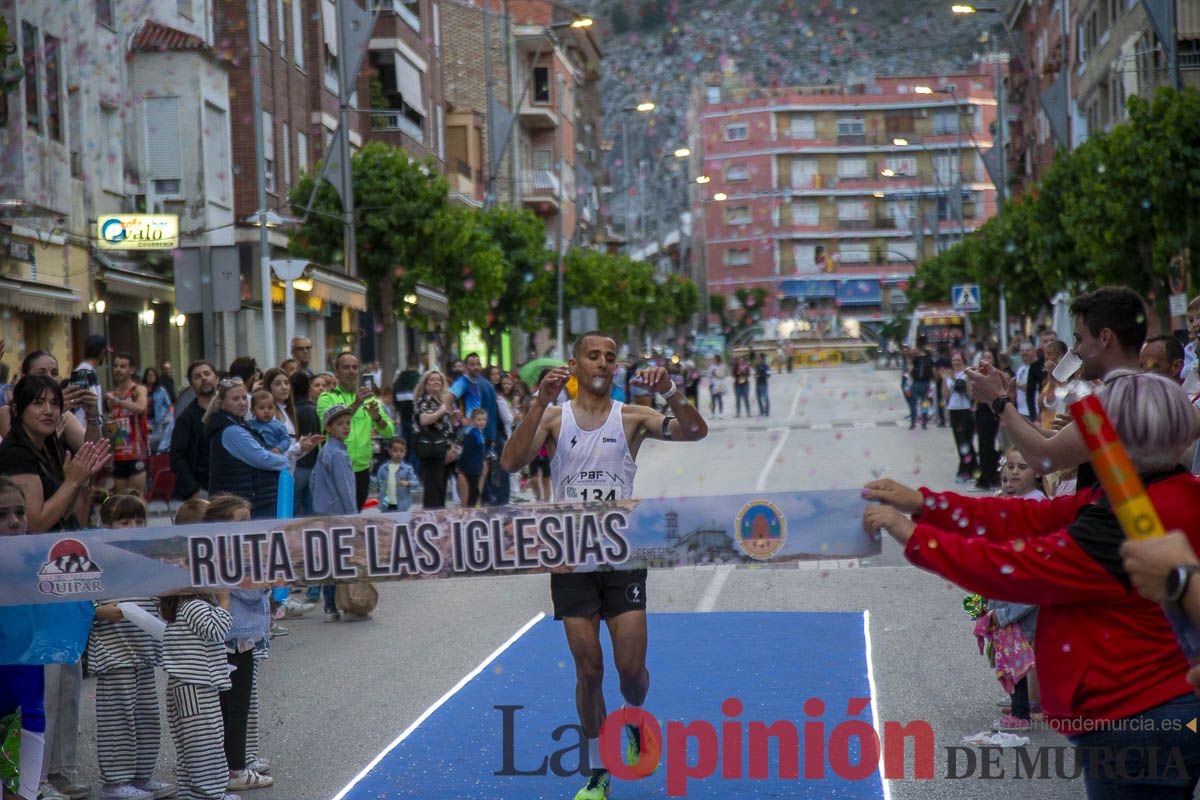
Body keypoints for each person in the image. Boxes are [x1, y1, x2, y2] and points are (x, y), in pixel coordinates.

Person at [863, 370, 1200, 800]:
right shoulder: (1164, 494)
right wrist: (927, 504)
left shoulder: (1122, 521)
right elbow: (1030, 517)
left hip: (1135, 715)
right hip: (1170, 706)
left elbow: (1017, 569)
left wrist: (911, 535)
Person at [500, 331, 708, 800]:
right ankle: (597, 770)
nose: (602, 363)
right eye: (592, 355)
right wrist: (539, 402)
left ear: (616, 368)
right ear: (574, 364)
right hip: (571, 558)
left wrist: (671, 391)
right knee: (588, 669)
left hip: (623, 555)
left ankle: (634, 719)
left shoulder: (632, 417)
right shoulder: (554, 419)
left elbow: (695, 431)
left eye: (609, 357)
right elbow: (511, 463)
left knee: (630, 670)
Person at [966, 286, 1147, 485]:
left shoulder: (1112, 400)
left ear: (1104, 338)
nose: (1076, 350)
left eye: (1079, 339)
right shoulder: (1152, 390)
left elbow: (1045, 458)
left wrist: (998, 401)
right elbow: (1053, 440)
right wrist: (1002, 405)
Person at [90, 495, 171, 800]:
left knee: (147, 718)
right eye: (125, 522)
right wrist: (101, 611)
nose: (133, 527)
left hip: (144, 655)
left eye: (139, 521)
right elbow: (84, 605)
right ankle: (114, 782)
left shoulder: (146, 562)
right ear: (107, 526)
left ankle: (141, 776)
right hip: (114, 656)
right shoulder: (98, 565)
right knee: (117, 721)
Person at [199, 496, 274, 793]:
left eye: (248, 521)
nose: (246, 526)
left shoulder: (219, 552)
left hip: (234, 637)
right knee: (235, 707)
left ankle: (229, 763)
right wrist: (267, 580)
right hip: (235, 638)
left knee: (228, 707)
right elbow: (253, 593)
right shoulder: (233, 557)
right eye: (239, 521)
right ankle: (235, 769)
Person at [0, 376, 109, 532]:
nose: (48, 411)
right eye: (38, 403)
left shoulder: (46, 446)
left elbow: (62, 514)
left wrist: (79, 480)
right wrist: (71, 481)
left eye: (55, 403)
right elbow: (35, 524)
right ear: (18, 410)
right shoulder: (16, 453)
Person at [158, 585, 233, 800]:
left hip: (184, 686)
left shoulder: (179, 607)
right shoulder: (195, 607)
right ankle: (208, 794)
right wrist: (224, 602)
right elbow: (217, 631)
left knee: (189, 747)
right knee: (205, 745)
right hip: (197, 687)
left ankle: (192, 792)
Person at [203, 379, 319, 519]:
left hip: (250, 502)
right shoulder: (232, 431)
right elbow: (264, 458)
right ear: (222, 403)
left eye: (244, 397)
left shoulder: (239, 425)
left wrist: (298, 449)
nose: (242, 402)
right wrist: (287, 459)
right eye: (235, 399)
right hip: (244, 505)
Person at [0, 478, 47, 800]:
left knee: (21, 795)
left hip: (27, 712)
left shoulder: (41, 566)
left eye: (19, 512)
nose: (14, 521)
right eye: (1, 515)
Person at [316, 353, 395, 510]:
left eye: (354, 367)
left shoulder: (369, 399)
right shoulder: (327, 398)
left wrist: (377, 418)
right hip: (335, 467)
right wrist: (357, 403)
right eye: (346, 367)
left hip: (361, 470)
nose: (351, 371)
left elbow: (390, 432)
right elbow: (331, 422)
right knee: (336, 519)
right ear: (336, 372)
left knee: (355, 517)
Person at [311, 405, 359, 622]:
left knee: (329, 561)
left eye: (347, 423)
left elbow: (313, 482)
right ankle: (344, 604)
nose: (345, 427)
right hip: (339, 515)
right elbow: (346, 489)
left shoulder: (324, 451)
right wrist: (354, 517)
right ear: (328, 427)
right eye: (340, 424)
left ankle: (330, 606)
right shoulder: (338, 454)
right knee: (340, 562)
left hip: (323, 512)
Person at [0, 351, 101, 448]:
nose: (49, 378)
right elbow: (19, 452)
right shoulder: (8, 412)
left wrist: (92, 417)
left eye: (54, 373)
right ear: (24, 378)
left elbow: (92, 452)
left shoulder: (64, 415)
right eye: (41, 373)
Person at [449, 354, 506, 506]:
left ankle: (475, 501)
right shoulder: (463, 383)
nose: (475, 367)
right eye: (472, 364)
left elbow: (493, 413)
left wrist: (492, 436)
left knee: (480, 470)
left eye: (477, 364)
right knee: (467, 471)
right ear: (466, 366)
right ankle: (469, 503)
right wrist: (459, 419)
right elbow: (448, 400)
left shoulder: (486, 385)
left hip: (482, 435)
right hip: (468, 435)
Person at [170, 361, 218, 501]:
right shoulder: (186, 419)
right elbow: (177, 458)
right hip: (201, 492)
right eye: (197, 376)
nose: (203, 378)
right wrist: (194, 490)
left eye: (207, 374)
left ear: (217, 378)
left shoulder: (229, 412)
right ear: (191, 385)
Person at [106, 352, 151, 495]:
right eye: (116, 366)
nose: (118, 369)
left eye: (123, 366)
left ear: (131, 370)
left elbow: (141, 408)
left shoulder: (138, 390)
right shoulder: (112, 395)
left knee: (136, 498)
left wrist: (119, 402)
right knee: (121, 500)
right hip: (119, 453)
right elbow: (114, 427)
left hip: (137, 453)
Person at [414, 369, 455, 509]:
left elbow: (446, 425)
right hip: (431, 450)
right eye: (432, 379)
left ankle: (439, 516)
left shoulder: (441, 400)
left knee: (441, 486)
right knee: (433, 487)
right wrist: (442, 411)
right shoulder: (424, 401)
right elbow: (424, 420)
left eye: (438, 380)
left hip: (444, 450)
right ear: (425, 384)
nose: (436, 382)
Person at [289, 371, 321, 516]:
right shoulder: (315, 410)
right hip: (313, 465)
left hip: (297, 465)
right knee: (311, 512)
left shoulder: (291, 411)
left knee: (294, 511)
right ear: (308, 388)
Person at [945, 352, 976, 484]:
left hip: (965, 410)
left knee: (965, 439)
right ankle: (971, 466)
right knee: (959, 441)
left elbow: (970, 394)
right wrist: (945, 380)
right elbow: (945, 395)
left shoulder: (967, 374)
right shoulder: (949, 375)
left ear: (963, 361)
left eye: (958, 360)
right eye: (954, 360)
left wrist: (958, 380)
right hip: (953, 410)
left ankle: (965, 470)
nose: (956, 363)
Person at [71, 334, 108, 428]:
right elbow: (75, 405)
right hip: (84, 433)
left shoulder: (88, 371)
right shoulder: (82, 372)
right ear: (103, 352)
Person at [374, 438, 419, 512]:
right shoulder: (383, 468)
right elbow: (378, 483)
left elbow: (416, 483)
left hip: (402, 506)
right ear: (389, 451)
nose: (398, 454)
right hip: (386, 506)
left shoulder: (407, 469)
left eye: (401, 451)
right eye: (395, 451)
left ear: (405, 452)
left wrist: (408, 483)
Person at [392, 355, 422, 462]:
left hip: (403, 417)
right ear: (418, 365)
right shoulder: (420, 380)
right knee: (415, 449)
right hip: (417, 420)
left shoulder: (398, 380)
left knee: (404, 447)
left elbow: (394, 401)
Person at [458, 408, 488, 508]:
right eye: (478, 420)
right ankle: (470, 507)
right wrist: (461, 467)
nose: (481, 422)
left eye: (483, 420)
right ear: (472, 421)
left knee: (475, 490)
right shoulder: (471, 435)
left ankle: (475, 505)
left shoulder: (480, 434)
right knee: (472, 490)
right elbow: (466, 452)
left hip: (477, 468)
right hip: (471, 468)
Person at [142, 367, 172, 454]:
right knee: (145, 443)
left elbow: (168, 405)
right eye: (149, 375)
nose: (151, 377)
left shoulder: (161, 390)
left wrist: (165, 416)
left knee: (158, 443)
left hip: (158, 421)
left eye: (153, 375)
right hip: (145, 421)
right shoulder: (141, 390)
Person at [908, 338, 934, 430]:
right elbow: (910, 360)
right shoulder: (918, 359)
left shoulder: (927, 359)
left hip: (922, 383)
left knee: (920, 403)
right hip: (919, 383)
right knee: (919, 403)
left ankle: (920, 422)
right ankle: (918, 422)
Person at [707, 355, 727, 419]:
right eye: (713, 359)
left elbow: (722, 375)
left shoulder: (722, 366)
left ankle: (721, 414)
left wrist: (716, 374)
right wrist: (710, 383)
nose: (714, 360)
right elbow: (709, 375)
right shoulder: (711, 367)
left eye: (715, 359)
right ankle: (712, 414)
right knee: (712, 400)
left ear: (718, 359)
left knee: (720, 399)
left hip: (719, 384)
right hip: (713, 384)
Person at [753, 353, 770, 417]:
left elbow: (768, 375)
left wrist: (760, 375)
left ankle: (767, 411)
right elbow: (755, 373)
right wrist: (755, 375)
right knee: (758, 398)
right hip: (757, 383)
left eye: (759, 358)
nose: (757, 359)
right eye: (757, 358)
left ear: (762, 359)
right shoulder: (756, 366)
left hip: (763, 384)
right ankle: (761, 411)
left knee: (765, 398)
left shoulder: (766, 366)